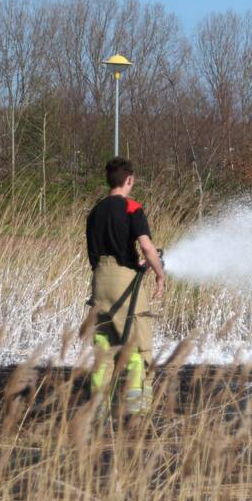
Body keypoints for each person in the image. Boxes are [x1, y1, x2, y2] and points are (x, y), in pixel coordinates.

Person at [85, 157, 166, 415]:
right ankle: (136, 412)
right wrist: (159, 274)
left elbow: (104, 251)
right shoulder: (132, 207)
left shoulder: (95, 211)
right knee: (138, 346)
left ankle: (98, 411)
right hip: (124, 283)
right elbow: (146, 246)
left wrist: (133, 262)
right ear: (129, 180)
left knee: (104, 348)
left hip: (99, 281)